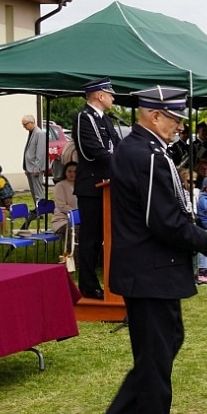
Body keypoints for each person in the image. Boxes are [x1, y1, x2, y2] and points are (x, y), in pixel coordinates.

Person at [97, 86, 207, 414]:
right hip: (152, 269)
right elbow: (163, 219)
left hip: (146, 269)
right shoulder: (148, 154)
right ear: (155, 116)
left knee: (164, 345)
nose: (178, 127)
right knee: (157, 354)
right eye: (174, 119)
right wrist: (205, 240)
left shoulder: (139, 150)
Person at [74, 77, 122, 299]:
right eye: (110, 94)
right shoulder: (85, 118)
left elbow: (117, 147)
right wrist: (123, 164)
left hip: (108, 187)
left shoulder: (106, 119)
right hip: (92, 187)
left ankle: (113, 283)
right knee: (91, 239)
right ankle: (88, 285)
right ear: (99, 96)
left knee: (109, 237)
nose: (113, 97)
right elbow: (91, 150)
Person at [21, 114, 47, 211]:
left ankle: (41, 209)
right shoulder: (32, 132)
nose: (24, 127)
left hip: (35, 168)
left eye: (25, 124)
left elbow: (40, 152)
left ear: (32, 122)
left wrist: (37, 167)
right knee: (33, 190)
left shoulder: (39, 133)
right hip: (29, 168)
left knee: (37, 190)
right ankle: (38, 209)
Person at [53, 161, 79, 243]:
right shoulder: (60, 186)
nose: (72, 174)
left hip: (80, 219)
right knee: (75, 232)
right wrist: (78, 214)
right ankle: (72, 255)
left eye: (75, 171)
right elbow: (62, 206)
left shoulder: (81, 185)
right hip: (62, 220)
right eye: (69, 171)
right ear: (65, 172)